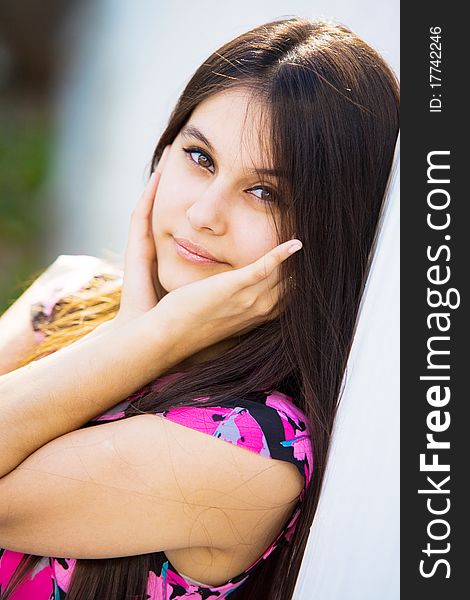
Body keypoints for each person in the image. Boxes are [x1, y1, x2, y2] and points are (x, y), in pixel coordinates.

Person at [0, 16, 399, 600]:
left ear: (329, 233)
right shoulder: (71, 294)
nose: (206, 213)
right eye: (199, 157)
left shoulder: (253, 452)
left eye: (265, 192)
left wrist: (145, 341)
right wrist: (132, 333)